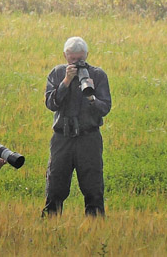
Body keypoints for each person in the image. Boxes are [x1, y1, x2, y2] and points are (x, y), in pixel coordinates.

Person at [43, 37, 112, 217]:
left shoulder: (98, 75)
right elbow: (51, 104)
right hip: (62, 138)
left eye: (80, 59)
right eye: (73, 59)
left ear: (87, 55)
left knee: (93, 185)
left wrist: (91, 98)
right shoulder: (57, 74)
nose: (77, 63)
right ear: (65, 56)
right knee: (55, 185)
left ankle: (95, 226)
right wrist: (66, 81)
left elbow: (105, 108)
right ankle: (49, 226)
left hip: (88, 138)